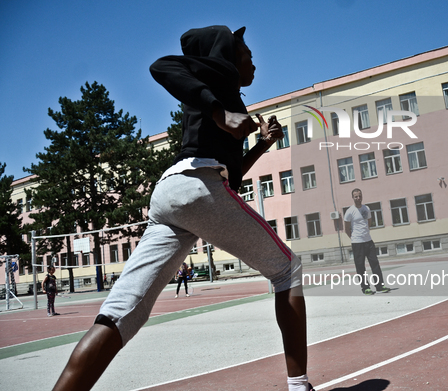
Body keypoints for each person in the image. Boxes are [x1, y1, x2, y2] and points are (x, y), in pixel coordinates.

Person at [52, 26, 313, 391]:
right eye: (248, 56)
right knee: (288, 270)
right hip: (196, 187)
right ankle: (300, 386)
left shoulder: (222, 95)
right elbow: (161, 66)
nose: (254, 63)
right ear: (227, 54)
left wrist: (261, 144)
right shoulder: (217, 78)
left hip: (171, 194)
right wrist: (221, 113)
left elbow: (231, 179)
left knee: (121, 312)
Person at [344, 189, 391, 295]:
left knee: (375, 264)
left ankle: (379, 286)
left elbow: (369, 222)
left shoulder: (366, 208)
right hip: (357, 243)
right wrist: (354, 237)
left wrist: (365, 233)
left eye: (360, 196)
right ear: (353, 198)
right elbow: (346, 228)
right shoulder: (349, 211)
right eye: (356, 196)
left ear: (362, 196)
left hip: (368, 241)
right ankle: (365, 288)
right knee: (360, 266)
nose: (358, 198)